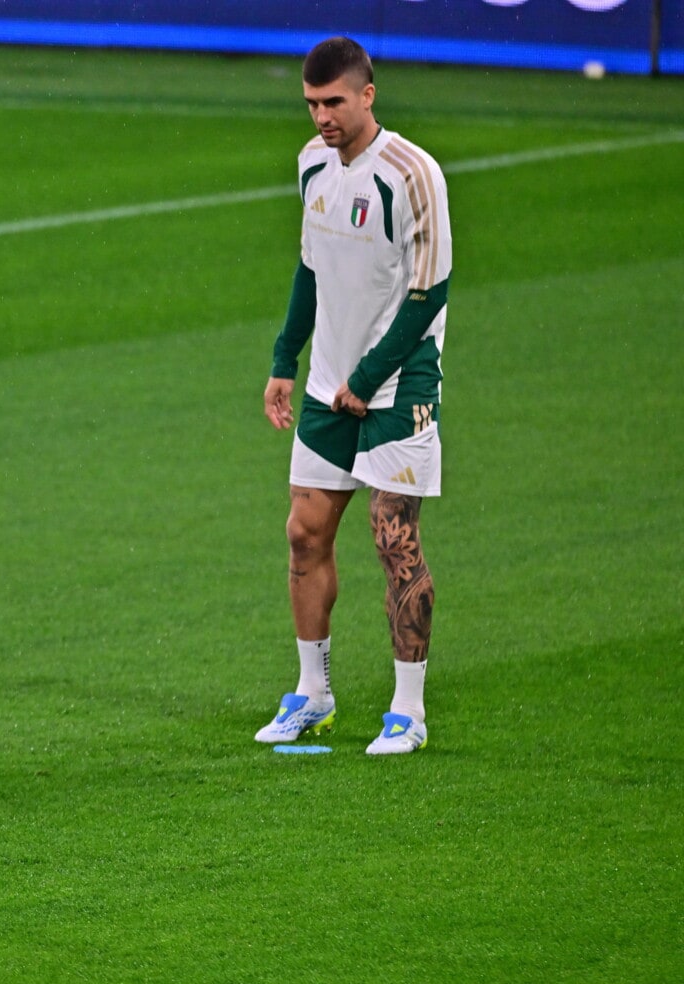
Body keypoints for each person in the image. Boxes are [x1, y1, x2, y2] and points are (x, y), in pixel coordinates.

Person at [257, 36, 451, 756]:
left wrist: (366, 380)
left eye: (334, 102)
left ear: (368, 95)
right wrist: (285, 359)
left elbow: (430, 293)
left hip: (398, 384)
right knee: (304, 532)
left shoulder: (412, 174)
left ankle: (408, 710)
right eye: (311, 104)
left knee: (393, 537)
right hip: (327, 382)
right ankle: (313, 694)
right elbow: (310, 267)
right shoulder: (312, 164)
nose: (322, 117)